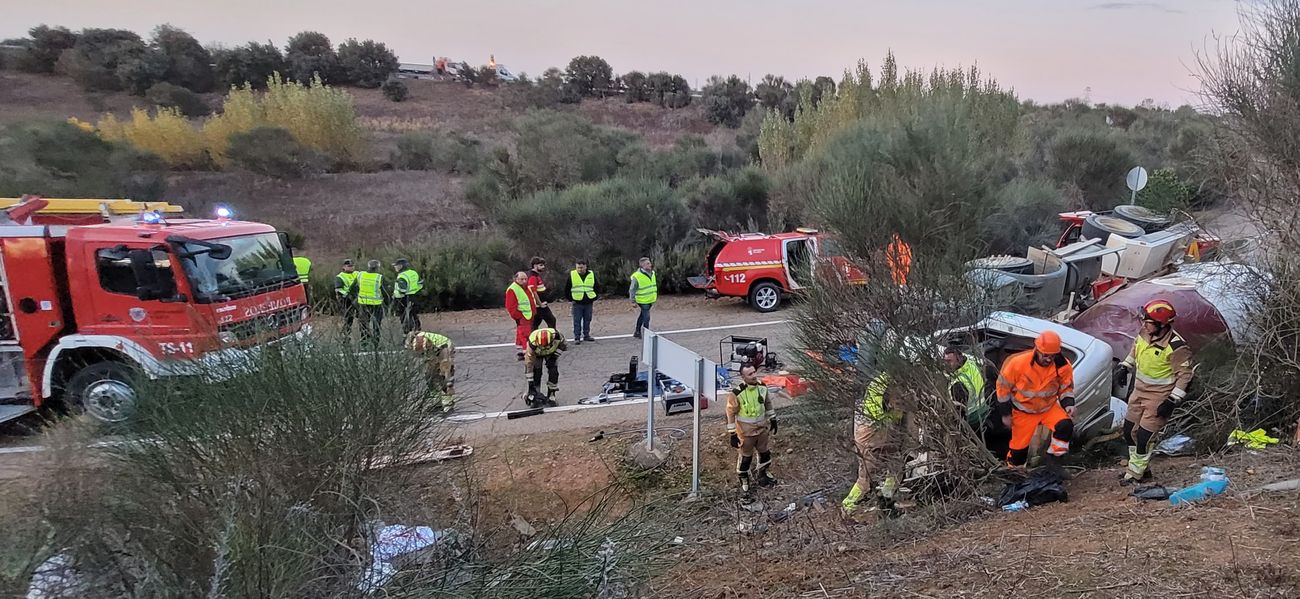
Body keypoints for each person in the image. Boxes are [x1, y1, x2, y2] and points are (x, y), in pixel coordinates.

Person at [1118, 299, 1194, 485]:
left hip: (1159, 396)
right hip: (1139, 391)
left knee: (1144, 436)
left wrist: (1171, 401)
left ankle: (1135, 473)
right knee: (1129, 431)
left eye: (1149, 322)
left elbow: (1185, 376)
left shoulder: (1176, 347)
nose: (1144, 324)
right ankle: (1141, 467)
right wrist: (1125, 366)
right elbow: (1136, 349)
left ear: (1162, 325)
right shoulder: (1145, 332)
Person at [996, 331, 1076, 479]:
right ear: (1037, 350)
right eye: (1045, 355)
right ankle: (1015, 476)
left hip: (1048, 408)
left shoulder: (1063, 365)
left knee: (1065, 426)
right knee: (1018, 452)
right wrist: (1005, 414)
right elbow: (1002, 390)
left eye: (1052, 356)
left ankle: (1054, 464)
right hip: (1023, 411)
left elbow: (1066, 388)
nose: (1048, 359)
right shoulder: (1017, 363)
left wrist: (1069, 404)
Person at [842, 371, 903, 515]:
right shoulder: (889, 388)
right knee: (865, 478)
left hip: (869, 431)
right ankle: (848, 507)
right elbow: (895, 414)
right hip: (872, 433)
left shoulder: (879, 382)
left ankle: (887, 499)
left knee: (895, 464)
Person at [944, 347, 1007, 456]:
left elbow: (960, 415)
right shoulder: (971, 365)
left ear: (959, 358)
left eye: (949, 361)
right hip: (986, 413)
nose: (947, 364)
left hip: (974, 422)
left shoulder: (958, 384)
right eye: (945, 361)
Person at [725, 364, 779, 493]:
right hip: (746, 433)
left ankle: (763, 474)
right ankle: (744, 480)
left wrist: (773, 418)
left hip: (761, 430)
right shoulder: (737, 393)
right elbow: (730, 413)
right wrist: (732, 434)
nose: (754, 375)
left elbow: (767, 403)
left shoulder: (762, 387)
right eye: (750, 374)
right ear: (743, 377)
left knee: (765, 454)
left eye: (754, 372)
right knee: (745, 458)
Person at [406, 331, 456, 412]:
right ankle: (436, 401)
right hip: (435, 350)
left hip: (444, 348)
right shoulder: (418, 340)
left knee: (444, 376)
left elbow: (426, 352)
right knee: (430, 376)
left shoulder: (419, 341)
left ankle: (449, 403)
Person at [525, 327, 566, 407]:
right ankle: (536, 393)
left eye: (546, 346)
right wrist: (530, 384)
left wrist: (555, 356)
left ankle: (551, 394)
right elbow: (529, 364)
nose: (544, 348)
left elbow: (563, 346)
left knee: (553, 371)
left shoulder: (558, 336)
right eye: (542, 346)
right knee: (537, 372)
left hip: (551, 353)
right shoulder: (532, 344)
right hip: (537, 354)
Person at [566, 259, 597, 344]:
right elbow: (567, 288)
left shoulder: (591, 274)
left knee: (588, 319)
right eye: (578, 268)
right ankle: (577, 337)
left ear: (586, 267)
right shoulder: (572, 275)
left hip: (588, 302)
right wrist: (570, 299)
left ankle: (586, 335)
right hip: (577, 302)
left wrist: (595, 297)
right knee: (577, 320)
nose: (580, 269)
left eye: (581, 268)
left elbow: (596, 286)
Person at [356, 260, 387, 344]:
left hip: (363, 303)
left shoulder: (361, 275)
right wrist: (388, 304)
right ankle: (376, 342)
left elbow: (353, 288)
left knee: (363, 323)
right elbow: (385, 292)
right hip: (376, 304)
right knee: (376, 324)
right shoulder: (379, 277)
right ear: (377, 267)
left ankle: (364, 341)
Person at [505, 272, 533, 361]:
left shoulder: (525, 287)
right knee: (525, 334)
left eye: (525, 279)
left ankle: (522, 351)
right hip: (522, 316)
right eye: (522, 279)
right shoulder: (512, 289)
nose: (524, 281)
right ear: (516, 279)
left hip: (528, 315)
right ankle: (527, 352)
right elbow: (510, 306)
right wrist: (519, 316)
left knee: (522, 333)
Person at [392, 258, 424, 334]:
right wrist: (414, 291)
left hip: (402, 298)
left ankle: (407, 334)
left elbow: (402, 290)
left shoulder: (402, 276)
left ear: (402, 266)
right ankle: (418, 331)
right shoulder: (413, 273)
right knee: (413, 314)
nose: (396, 268)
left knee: (404, 317)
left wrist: (396, 295)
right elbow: (420, 284)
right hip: (414, 296)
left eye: (397, 266)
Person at [629, 257, 657, 338]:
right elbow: (632, 289)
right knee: (646, 317)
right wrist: (633, 301)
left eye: (650, 263)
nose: (650, 265)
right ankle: (646, 334)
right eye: (647, 263)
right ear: (642, 266)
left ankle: (637, 331)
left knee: (642, 316)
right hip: (642, 300)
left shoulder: (652, 273)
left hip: (650, 299)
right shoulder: (637, 276)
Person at [526, 257, 557, 331]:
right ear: (535, 265)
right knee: (552, 321)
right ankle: (553, 338)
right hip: (540, 306)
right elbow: (533, 292)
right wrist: (540, 304)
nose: (543, 267)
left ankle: (533, 339)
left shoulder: (536, 275)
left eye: (543, 265)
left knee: (535, 324)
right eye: (541, 265)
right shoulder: (533, 277)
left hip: (539, 305)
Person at [334, 259, 360, 338]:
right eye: (349, 266)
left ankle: (364, 335)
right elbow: (338, 289)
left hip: (359, 298)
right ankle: (346, 336)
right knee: (349, 319)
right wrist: (348, 295)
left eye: (352, 266)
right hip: (346, 300)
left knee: (363, 318)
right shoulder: (340, 276)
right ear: (344, 267)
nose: (351, 268)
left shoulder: (358, 273)